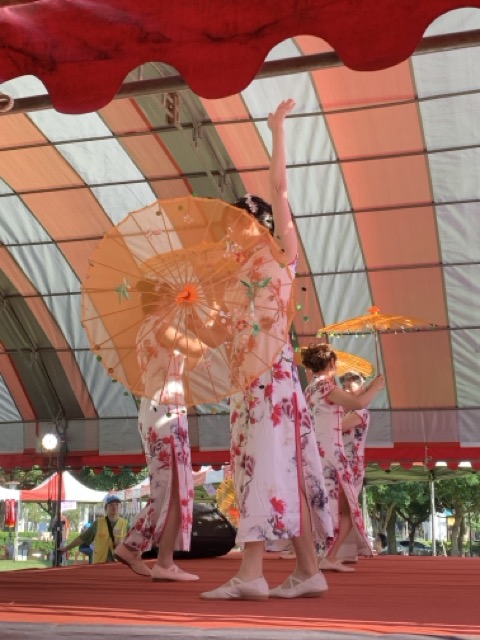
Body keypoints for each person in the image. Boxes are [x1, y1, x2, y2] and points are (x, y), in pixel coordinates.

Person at [200, 99, 333, 601]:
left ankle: (251, 573)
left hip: (269, 382)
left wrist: (277, 130)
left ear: (259, 224)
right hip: (256, 383)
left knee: (261, 466)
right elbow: (220, 336)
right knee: (282, 469)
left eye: (239, 224)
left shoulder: (282, 255)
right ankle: (308, 570)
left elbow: (280, 189)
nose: (232, 233)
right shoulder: (233, 278)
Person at [114, 282, 211, 582]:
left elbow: (191, 360)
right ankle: (161, 560)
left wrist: (196, 332)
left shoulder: (154, 328)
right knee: (173, 488)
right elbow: (197, 347)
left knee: (171, 487)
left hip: (164, 409)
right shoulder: (159, 326)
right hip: (164, 412)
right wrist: (199, 324)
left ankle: (136, 547)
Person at [302, 344, 385, 572]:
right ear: (331, 363)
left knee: (323, 506)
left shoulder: (310, 389)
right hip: (332, 454)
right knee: (346, 509)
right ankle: (328, 556)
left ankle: (323, 555)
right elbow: (358, 403)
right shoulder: (325, 386)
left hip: (317, 452)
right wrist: (376, 387)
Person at [336, 371, 371, 563]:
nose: (347, 390)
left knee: (347, 508)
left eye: (351, 386)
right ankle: (346, 551)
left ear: (362, 388)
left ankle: (338, 551)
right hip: (342, 462)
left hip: (351, 465)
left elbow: (337, 428)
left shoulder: (360, 412)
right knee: (342, 508)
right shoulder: (347, 412)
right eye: (345, 386)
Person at [59, 495, 128, 564]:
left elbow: (132, 545)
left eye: (117, 504)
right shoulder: (98, 523)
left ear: (121, 507)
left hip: (119, 565)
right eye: (111, 505)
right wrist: (67, 548)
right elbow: (83, 538)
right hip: (100, 563)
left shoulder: (126, 525)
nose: (114, 507)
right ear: (105, 508)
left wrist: (122, 544)